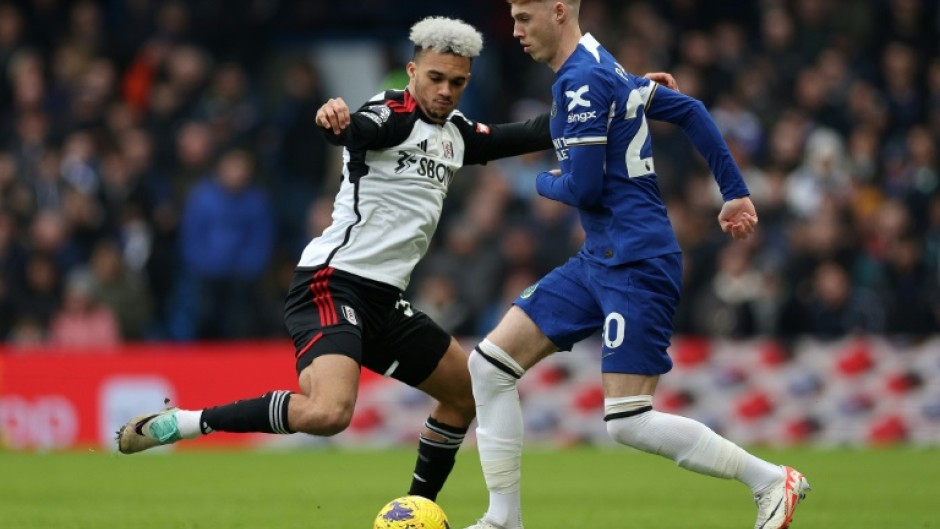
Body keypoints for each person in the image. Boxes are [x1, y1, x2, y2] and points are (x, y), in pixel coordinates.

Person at [115, 15, 677, 504]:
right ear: (412, 72)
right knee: (329, 413)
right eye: (435, 78)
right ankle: (185, 423)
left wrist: (624, 97)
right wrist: (335, 118)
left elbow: (535, 131)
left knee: (465, 393)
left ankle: (413, 512)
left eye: (457, 82)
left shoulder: (457, 134)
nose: (445, 91)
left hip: (385, 299)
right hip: (332, 284)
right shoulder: (389, 114)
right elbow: (356, 128)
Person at [463, 2, 809, 529]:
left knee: (627, 421)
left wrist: (534, 177)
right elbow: (690, 109)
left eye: (524, 17)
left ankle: (769, 480)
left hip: (636, 261)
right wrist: (734, 193)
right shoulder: (599, 61)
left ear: (559, 11)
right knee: (488, 365)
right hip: (598, 257)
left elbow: (581, 186)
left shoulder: (581, 78)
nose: (514, 31)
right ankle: (503, 519)